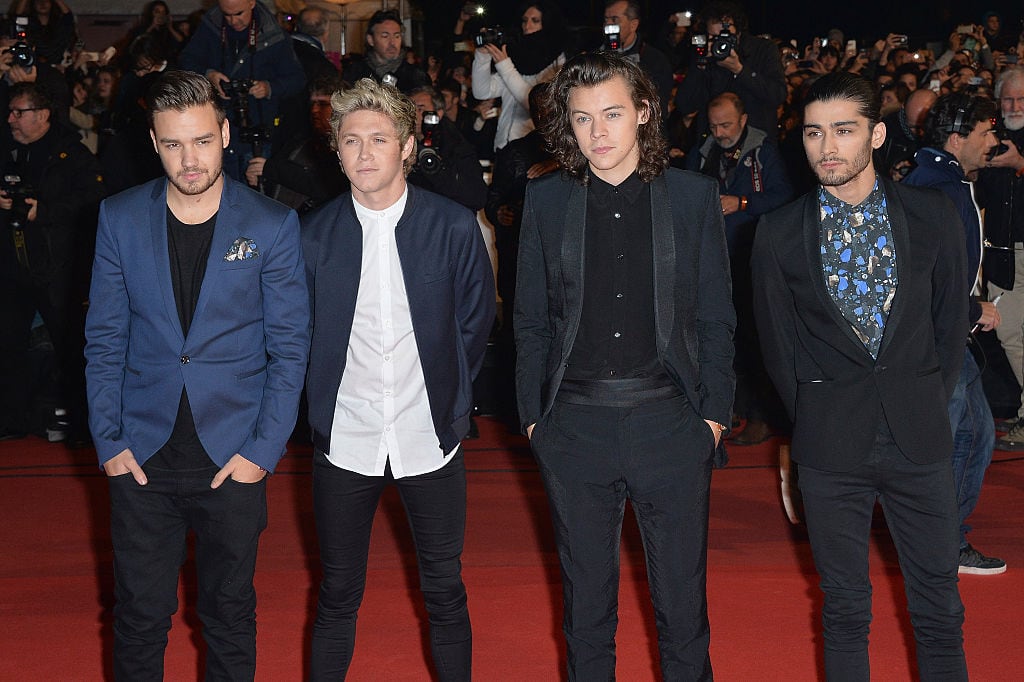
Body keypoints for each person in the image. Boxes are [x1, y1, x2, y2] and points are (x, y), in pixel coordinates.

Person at [515, 52, 735, 679]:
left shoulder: (692, 197)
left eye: (612, 114)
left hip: (671, 422)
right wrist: (536, 420)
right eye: (582, 119)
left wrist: (713, 417)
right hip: (574, 427)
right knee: (585, 613)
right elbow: (529, 320)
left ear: (643, 113)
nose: (598, 133)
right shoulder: (546, 199)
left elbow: (717, 316)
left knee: (682, 609)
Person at [84, 70, 310, 680]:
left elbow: (290, 350)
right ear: (155, 144)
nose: (191, 159)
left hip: (231, 455)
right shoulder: (118, 218)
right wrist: (109, 441)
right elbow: (104, 339)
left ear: (226, 134)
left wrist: (262, 451)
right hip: (140, 456)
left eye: (203, 141)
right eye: (175, 144)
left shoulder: (271, 224)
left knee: (230, 615)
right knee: (138, 616)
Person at [752, 72, 969, 680]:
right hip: (829, 446)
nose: (828, 147)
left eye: (844, 131)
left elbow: (950, 327)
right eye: (815, 132)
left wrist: (922, 395)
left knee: (939, 611)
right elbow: (777, 349)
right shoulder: (776, 234)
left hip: (918, 439)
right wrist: (817, 413)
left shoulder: (933, 216)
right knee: (845, 612)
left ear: (875, 134)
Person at [301, 77, 494, 681]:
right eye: (351, 140)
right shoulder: (311, 236)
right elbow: (299, 337)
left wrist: (450, 408)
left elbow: (474, 323)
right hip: (346, 439)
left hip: (429, 437)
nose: (364, 153)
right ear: (336, 151)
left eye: (378, 139)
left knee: (444, 586)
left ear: (407, 146)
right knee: (337, 593)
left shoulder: (454, 226)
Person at [904, 92, 1007, 575]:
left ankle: (938, 538)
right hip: (936, 333)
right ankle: (938, 543)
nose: (994, 142)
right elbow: (919, 276)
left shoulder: (943, 181)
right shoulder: (936, 188)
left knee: (972, 433)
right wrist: (972, 307)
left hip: (944, 331)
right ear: (955, 138)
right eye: (986, 132)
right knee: (958, 437)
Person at [0, 81, 104, 442]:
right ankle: (14, 419)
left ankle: (81, 421)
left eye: (19, 112)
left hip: (57, 267)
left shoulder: (69, 153)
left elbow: (93, 200)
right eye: (10, 112)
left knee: (71, 346)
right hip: (12, 266)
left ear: (42, 115)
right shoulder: (6, 151)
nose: (11, 119)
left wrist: (42, 212)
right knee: (9, 344)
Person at [687, 91, 792, 444]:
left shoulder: (765, 152)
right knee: (716, 337)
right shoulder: (704, 152)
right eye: (714, 125)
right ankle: (725, 408)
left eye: (726, 124)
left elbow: (785, 199)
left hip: (754, 259)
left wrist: (743, 202)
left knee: (755, 339)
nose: (719, 132)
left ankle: (761, 415)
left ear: (743, 120)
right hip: (713, 260)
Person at [178, 0, 306, 180]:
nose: (232, 21)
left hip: (257, 129)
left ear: (252, 3)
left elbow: (297, 79)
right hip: (216, 125)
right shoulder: (211, 26)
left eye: (238, 14)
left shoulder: (273, 34)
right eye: (227, 14)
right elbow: (186, 61)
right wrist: (209, 75)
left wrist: (269, 87)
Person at [978, 67, 1024, 448]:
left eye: (1021, 99)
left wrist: (1019, 165)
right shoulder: (992, 138)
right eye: (1008, 99)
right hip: (1003, 253)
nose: (1014, 105)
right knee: (1009, 333)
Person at [674, 0, 786, 138]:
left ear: (738, 32)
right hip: (713, 143)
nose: (720, 43)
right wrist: (700, 66)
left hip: (756, 142)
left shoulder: (763, 50)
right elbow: (684, 105)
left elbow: (778, 94)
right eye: (713, 37)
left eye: (724, 36)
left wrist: (739, 70)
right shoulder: (705, 57)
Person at [244, 71, 349, 213]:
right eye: (313, 103)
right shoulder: (301, 138)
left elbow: (326, 186)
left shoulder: (348, 142)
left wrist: (270, 169)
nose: (315, 109)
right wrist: (263, 177)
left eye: (323, 104)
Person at [472, 1, 565, 150]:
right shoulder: (515, 56)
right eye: (524, 20)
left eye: (535, 21)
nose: (527, 26)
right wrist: (482, 56)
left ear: (547, 24)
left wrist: (504, 65)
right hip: (503, 147)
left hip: (533, 152)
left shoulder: (557, 62)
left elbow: (534, 105)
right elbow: (482, 91)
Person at [406, 84, 487, 211]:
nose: (414, 115)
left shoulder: (456, 145)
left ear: (438, 113)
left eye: (420, 109)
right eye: (409, 109)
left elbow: (477, 198)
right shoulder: (401, 143)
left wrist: (437, 170)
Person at [603, 0, 674, 120]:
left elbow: (658, 109)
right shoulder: (595, 58)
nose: (608, 25)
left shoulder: (655, 60)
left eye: (615, 20)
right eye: (606, 20)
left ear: (633, 25)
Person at [341, 9, 428, 93]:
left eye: (397, 36)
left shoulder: (416, 75)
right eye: (385, 36)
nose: (392, 42)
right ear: (370, 40)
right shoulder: (355, 73)